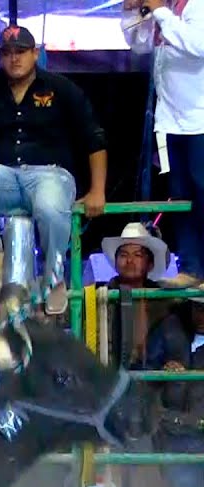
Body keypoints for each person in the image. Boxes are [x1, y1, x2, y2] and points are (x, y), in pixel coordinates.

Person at [0, 25, 108, 314]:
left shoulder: (61, 87)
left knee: (49, 206)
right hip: (6, 174)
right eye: (7, 53)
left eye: (21, 52)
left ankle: (54, 277)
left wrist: (97, 191)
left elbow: (94, 137)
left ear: (35, 54)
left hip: (51, 174)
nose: (14, 58)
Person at [123, 0, 204, 288]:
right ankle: (191, 267)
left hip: (200, 120)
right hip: (169, 121)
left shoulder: (197, 6)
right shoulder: (164, 9)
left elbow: (198, 45)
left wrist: (160, 11)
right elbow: (139, 44)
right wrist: (134, 12)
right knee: (180, 195)